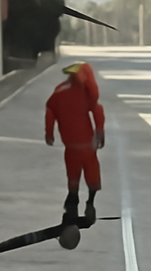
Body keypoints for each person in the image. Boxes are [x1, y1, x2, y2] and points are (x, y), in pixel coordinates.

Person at [45, 60, 105, 225]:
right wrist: (100, 132)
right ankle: (89, 201)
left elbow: (50, 111)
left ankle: (73, 200)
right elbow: (97, 110)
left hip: (71, 146)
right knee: (91, 174)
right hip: (86, 146)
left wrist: (49, 132)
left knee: (73, 175)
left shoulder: (59, 91)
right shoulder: (87, 93)